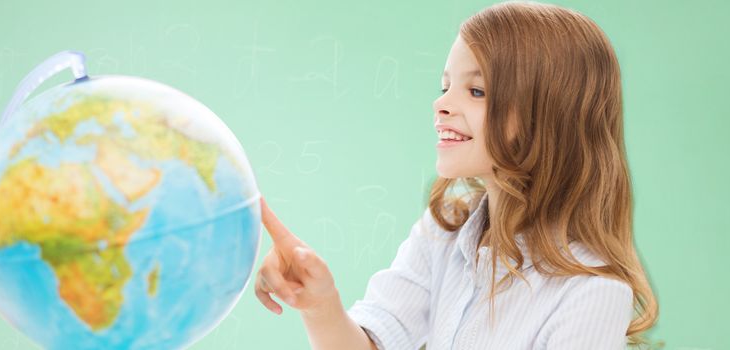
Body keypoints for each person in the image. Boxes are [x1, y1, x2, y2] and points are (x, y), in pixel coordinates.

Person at [254, 1, 658, 349]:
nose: (441, 103)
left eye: (476, 91)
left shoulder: (592, 293)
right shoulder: (444, 232)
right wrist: (320, 305)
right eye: (446, 85)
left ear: (549, 119)